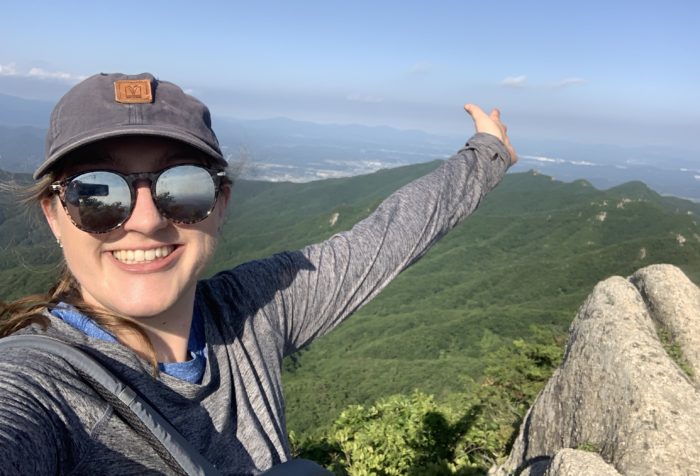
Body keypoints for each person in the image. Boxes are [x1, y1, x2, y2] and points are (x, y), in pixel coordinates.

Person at [0, 72, 516, 474]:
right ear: (54, 215)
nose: (146, 220)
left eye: (182, 185)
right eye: (97, 192)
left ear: (220, 203)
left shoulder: (252, 310)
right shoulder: (40, 383)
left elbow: (387, 238)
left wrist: (487, 155)